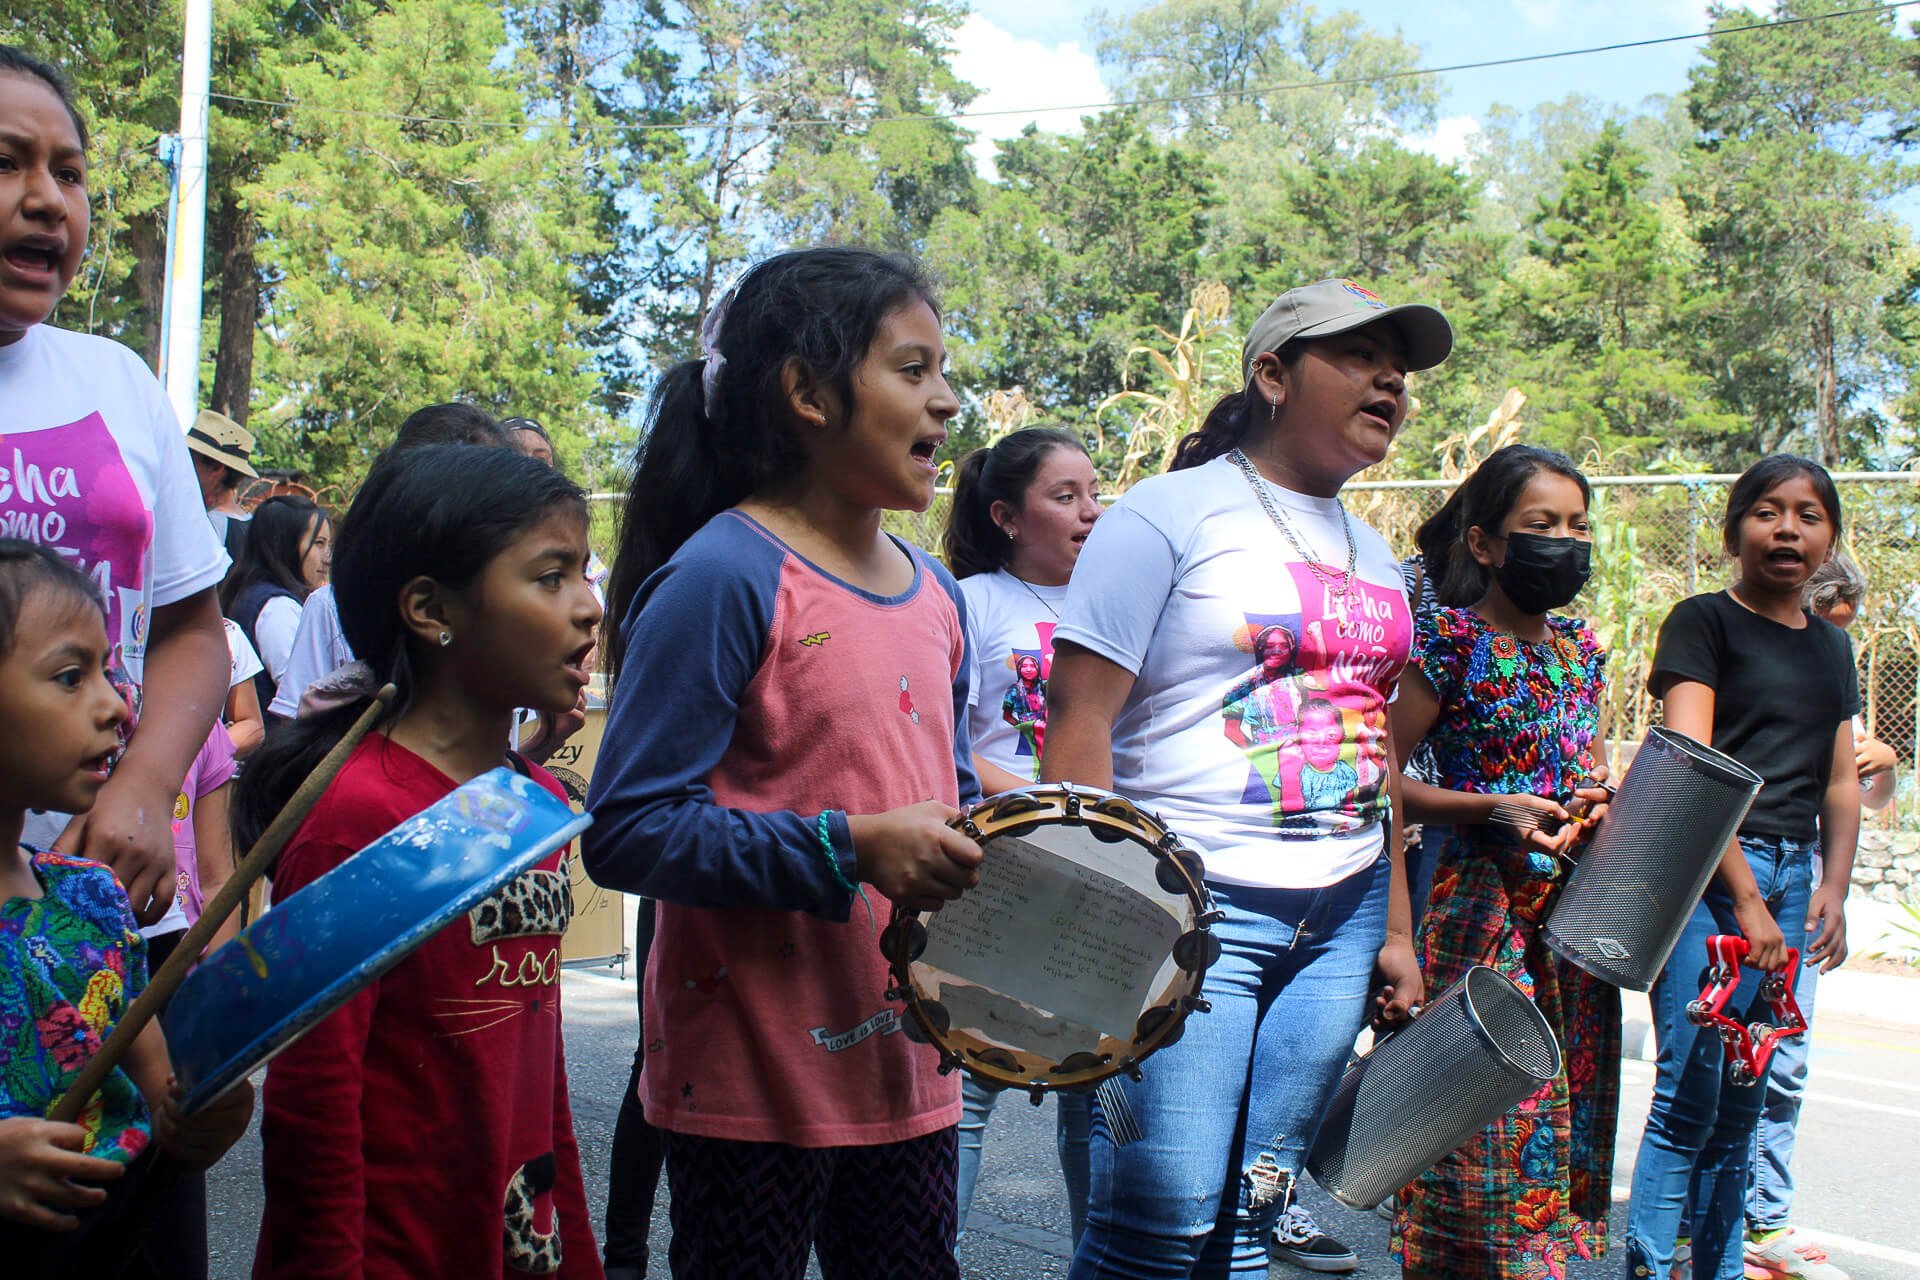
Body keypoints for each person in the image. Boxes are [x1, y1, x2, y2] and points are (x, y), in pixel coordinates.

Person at [583, 247, 982, 1279]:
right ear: (807, 391)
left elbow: (954, 800)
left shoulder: (938, 591)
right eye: (912, 368)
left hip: (907, 1061)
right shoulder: (723, 573)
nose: (947, 400)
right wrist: (850, 846)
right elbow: (630, 828)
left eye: (944, 369)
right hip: (751, 1075)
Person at [1042, 277, 1450, 1277]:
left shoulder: (1377, 555)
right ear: (1272, 371)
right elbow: (1079, 719)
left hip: (1342, 916)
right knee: (1161, 1217)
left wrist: (1393, 927)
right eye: (1358, 353)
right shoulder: (1166, 514)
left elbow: (1375, 751)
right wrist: (1085, 915)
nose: (1389, 376)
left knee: (1257, 1209)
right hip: (1187, 909)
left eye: (1397, 364)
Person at [234, 444, 603, 1278]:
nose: (588, 607)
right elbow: (313, 1106)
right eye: (551, 577)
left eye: (583, 574)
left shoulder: (532, 801)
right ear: (431, 608)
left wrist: (571, 1249)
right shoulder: (357, 815)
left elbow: (538, 1076)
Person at [0, 45, 231, 928]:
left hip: (109, 902)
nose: (47, 200)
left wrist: (142, 787)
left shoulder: (120, 382)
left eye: (70, 173)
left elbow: (192, 632)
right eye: (6, 162)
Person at [1624, 456, 1861, 1280]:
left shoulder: (1834, 648)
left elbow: (1838, 780)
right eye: (1766, 511)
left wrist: (1831, 886)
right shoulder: (1703, 623)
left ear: (1830, 537)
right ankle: (1651, 1269)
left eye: (1807, 514)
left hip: (1794, 881)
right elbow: (1691, 764)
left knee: (1744, 1101)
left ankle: (1721, 1269)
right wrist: (1751, 901)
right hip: (1709, 876)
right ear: (1735, 533)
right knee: (1689, 1098)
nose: (1787, 528)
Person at [1386, 445, 1618, 1279]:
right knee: (1478, 1131)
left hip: (1571, 927)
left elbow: (1583, 765)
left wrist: (1597, 803)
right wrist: (1493, 808)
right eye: (1542, 526)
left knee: (1560, 1126)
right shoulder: (1448, 642)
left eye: (1579, 526)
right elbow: (1383, 779)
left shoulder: (1581, 651)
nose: (1566, 541)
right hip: (1478, 922)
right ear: (1484, 544)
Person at [0, 540, 253, 1279]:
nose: (116, 703)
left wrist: (210, 1113)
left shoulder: (92, 896)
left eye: (108, 671)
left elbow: (160, 1103)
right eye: (71, 677)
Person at [940, 425, 1102, 1243]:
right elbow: (945, 741)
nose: (1090, 512)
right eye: (1064, 496)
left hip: (1107, 874)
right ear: (1006, 515)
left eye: (1094, 493)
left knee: (1096, 1085)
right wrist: (1050, 801)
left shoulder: (1116, 601)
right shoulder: (973, 601)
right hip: (1001, 868)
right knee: (969, 1086)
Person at [1716, 552, 1887, 1280]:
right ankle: (1710, 1224)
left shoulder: (1831, 663)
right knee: (1720, 1055)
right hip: (1736, 867)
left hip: (1805, 875)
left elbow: (1863, 793)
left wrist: (1882, 762)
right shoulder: (1732, 647)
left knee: (1784, 1058)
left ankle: (1765, 1220)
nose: (1825, 640)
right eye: (1823, 622)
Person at [220, 494, 329, 714]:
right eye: (318, 543)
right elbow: (303, 696)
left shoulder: (246, 593)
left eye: (328, 545)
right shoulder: (277, 608)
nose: (327, 557)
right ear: (284, 544)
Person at [184, 409, 259, 573]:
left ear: (217, 468)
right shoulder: (253, 524)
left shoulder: (209, 525)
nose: (185, 467)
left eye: (192, 460)